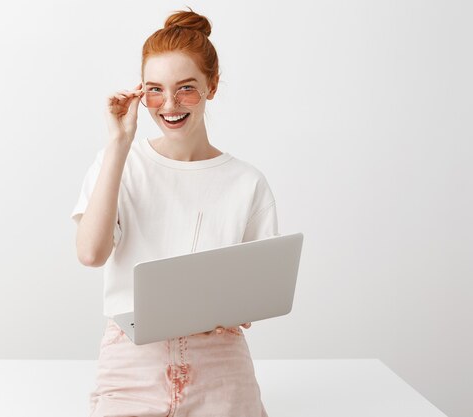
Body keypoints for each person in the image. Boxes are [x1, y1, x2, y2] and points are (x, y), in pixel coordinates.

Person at [70, 7, 278, 417]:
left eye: (186, 88)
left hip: (219, 357)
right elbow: (91, 254)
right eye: (154, 90)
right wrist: (119, 143)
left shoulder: (247, 182)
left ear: (212, 86)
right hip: (133, 357)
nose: (169, 105)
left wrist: (238, 309)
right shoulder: (119, 162)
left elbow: (261, 286)